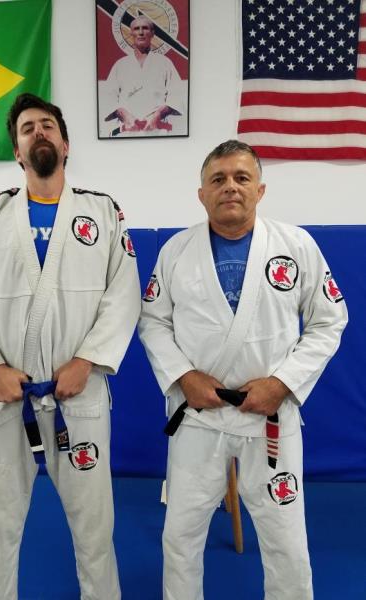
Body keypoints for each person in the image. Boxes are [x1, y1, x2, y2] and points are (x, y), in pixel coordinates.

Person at [0, 93, 141, 600]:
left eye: (47, 125)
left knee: (95, 528)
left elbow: (123, 295)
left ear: (66, 144)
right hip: (5, 395)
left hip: (79, 393)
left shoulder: (102, 211)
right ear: (17, 151)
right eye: (27, 128)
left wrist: (88, 360)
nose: (38, 133)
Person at [138, 140, 348, 600]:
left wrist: (283, 383)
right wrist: (184, 377)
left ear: (260, 189)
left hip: (269, 415)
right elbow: (152, 321)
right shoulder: (176, 251)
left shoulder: (297, 245)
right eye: (218, 179)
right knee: (181, 534)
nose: (230, 187)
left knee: (285, 538)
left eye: (241, 177)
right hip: (199, 416)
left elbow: (329, 320)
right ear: (202, 194)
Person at [102, 15, 184, 136]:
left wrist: (158, 114)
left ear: (152, 33)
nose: (140, 32)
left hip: (157, 131)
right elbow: (108, 98)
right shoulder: (120, 65)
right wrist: (124, 115)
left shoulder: (164, 63)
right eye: (136, 29)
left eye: (145, 28)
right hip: (127, 131)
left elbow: (177, 95)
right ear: (131, 33)